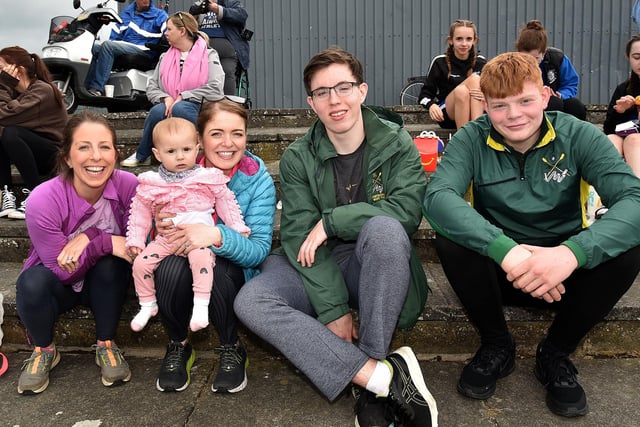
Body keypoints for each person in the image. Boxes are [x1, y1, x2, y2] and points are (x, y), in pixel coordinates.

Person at [423, 52, 640, 418]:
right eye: (500, 106)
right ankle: (497, 344)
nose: (514, 115)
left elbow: (634, 199)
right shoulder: (471, 139)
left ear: (543, 96)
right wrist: (508, 252)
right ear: (485, 105)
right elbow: (437, 197)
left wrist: (571, 254)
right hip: (502, 271)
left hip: (563, 275)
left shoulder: (579, 135)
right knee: (451, 239)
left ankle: (555, 351)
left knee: (628, 251)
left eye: (525, 101)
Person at [234, 47, 438, 427]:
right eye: (322, 92)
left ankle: (373, 360)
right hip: (314, 264)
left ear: (362, 91)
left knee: (385, 230)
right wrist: (333, 310)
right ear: (311, 103)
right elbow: (297, 233)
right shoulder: (299, 156)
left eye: (343, 87)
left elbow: (407, 214)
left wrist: (333, 222)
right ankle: (378, 378)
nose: (335, 100)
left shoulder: (397, 144)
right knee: (252, 300)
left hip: (375, 266)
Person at [150, 98, 276, 394]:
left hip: (231, 265)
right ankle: (179, 344)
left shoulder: (257, 180)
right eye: (217, 133)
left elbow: (258, 249)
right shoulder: (173, 170)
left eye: (237, 133)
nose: (227, 143)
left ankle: (231, 347)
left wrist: (216, 235)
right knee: (166, 269)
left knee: (219, 271)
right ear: (199, 139)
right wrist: (158, 225)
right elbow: (148, 238)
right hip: (180, 255)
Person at [15, 111, 138, 395]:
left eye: (104, 146)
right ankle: (44, 349)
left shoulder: (129, 186)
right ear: (68, 157)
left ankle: (106, 344)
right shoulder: (43, 199)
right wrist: (102, 239)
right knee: (31, 283)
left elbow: (137, 243)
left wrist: (91, 237)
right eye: (84, 147)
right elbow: (60, 269)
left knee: (111, 264)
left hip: (106, 283)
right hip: (60, 282)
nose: (96, 156)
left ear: (116, 154)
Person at [126, 117, 249, 333]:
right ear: (157, 154)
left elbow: (226, 203)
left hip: (198, 239)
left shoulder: (207, 178)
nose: (180, 156)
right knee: (140, 264)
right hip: (167, 239)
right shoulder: (153, 183)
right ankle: (147, 304)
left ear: (196, 149)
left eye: (186, 149)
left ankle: (201, 307)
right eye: (171, 151)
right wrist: (135, 240)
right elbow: (139, 214)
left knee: (201, 262)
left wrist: (238, 228)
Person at [121, 12, 225, 167]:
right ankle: (143, 155)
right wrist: (165, 98)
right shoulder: (164, 57)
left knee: (181, 108)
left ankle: (207, 151)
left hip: (200, 107)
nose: (165, 33)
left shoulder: (209, 54)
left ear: (182, 31)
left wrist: (184, 96)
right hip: (170, 105)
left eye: (169, 29)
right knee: (157, 111)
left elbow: (216, 88)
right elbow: (152, 86)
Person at [0, 46, 67, 220]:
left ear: (18, 70)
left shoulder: (41, 90)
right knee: (5, 132)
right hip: (30, 153)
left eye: (1, 69)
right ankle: (7, 194)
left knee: (10, 132)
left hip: (54, 157)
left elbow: (4, 116)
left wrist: (4, 84)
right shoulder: (16, 92)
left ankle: (35, 195)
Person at [85, 0, 168, 97]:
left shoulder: (159, 15)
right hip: (125, 47)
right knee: (93, 48)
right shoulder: (126, 13)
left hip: (145, 50)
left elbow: (169, 32)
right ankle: (86, 87)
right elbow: (115, 36)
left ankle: (97, 88)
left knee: (108, 46)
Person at [418, 19, 487, 130]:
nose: (464, 43)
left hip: (473, 111)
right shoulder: (440, 62)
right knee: (471, 82)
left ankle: (466, 139)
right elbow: (424, 95)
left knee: (464, 90)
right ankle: (477, 133)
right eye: (459, 39)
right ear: (451, 40)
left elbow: (495, 93)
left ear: (475, 40)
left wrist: (487, 96)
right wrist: (431, 105)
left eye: (468, 39)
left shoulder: (481, 62)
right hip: (447, 115)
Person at [516, 19, 587, 121]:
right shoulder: (513, 64)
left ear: (544, 52)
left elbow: (570, 83)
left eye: (536, 58)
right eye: (526, 58)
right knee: (553, 103)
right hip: (527, 103)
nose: (531, 62)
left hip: (557, 99)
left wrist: (562, 94)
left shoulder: (558, 58)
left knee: (575, 106)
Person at [189, 0, 250, 95]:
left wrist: (218, 10)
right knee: (198, 73)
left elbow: (242, 15)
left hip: (226, 47)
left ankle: (227, 105)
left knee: (227, 71)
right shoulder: (198, 5)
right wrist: (195, 14)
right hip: (202, 47)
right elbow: (188, 22)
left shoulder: (230, 2)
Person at [602, 34, 640, 176]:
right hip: (623, 135)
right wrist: (620, 111)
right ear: (628, 58)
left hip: (634, 140)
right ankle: (606, 191)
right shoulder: (624, 88)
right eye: (636, 57)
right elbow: (608, 129)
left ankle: (636, 192)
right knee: (610, 141)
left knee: (633, 140)